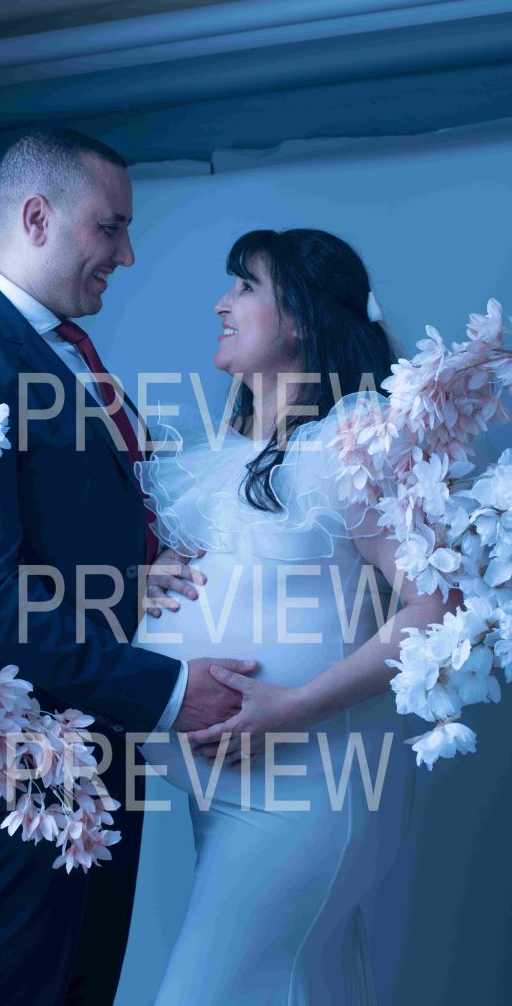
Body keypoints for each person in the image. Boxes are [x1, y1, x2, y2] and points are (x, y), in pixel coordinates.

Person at [0, 128, 258, 1006]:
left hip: (95, 745)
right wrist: (169, 690)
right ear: (37, 218)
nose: (127, 255)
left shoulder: (56, 349)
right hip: (21, 759)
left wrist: (144, 574)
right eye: (110, 227)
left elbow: (66, 541)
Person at [133, 228, 462, 1004]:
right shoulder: (228, 455)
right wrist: (151, 582)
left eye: (245, 286)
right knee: (301, 989)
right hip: (227, 792)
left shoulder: (355, 445)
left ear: (302, 319)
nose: (221, 304)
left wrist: (290, 707)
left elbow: (439, 603)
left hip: (308, 783)